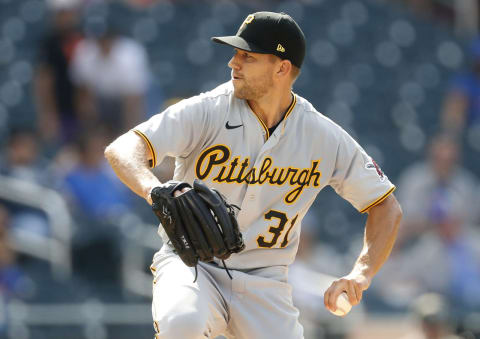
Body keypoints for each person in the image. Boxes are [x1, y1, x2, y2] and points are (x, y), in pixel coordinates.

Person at [104, 11, 402, 339]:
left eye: (247, 56)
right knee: (182, 325)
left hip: (266, 281)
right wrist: (154, 189)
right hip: (193, 264)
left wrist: (360, 275)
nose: (234, 63)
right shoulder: (207, 110)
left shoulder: (321, 136)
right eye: (235, 53)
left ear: (281, 68)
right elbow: (122, 150)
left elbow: (385, 206)